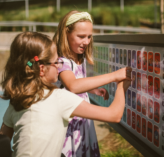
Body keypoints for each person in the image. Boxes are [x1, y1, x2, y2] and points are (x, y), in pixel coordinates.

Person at [0, 32, 132, 157]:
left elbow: (1, 142)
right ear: (41, 69)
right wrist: (121, 86)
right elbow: (114, 115)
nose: (59, 65)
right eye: (56, 62)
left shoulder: (17, 101)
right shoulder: (59, 98)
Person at [53, 10, 132, 157]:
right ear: (66, 34)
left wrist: (92, 90)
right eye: (81, 36)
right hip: (70, 129)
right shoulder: (62, 62)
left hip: (83, 124)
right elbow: (73, 85)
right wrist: (114, 76)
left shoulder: (79, 59)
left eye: (89, 36)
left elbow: (77, 85)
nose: (87, 41)